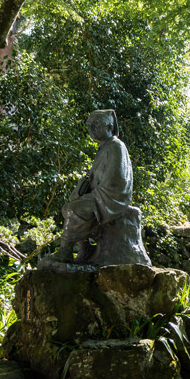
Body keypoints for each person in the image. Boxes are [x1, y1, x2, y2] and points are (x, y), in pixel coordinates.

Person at [47, 109, 134, 264]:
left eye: (95, 125)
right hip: (100, 194)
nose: (91, 130)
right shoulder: (104, 147)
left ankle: (65, 251)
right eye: (89, 126)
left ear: (108, 126)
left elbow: (115, 181)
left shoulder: (115, 147)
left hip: (111, 196)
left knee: (75, 210)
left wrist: (90, 195)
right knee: (68, 207)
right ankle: (85, 248)